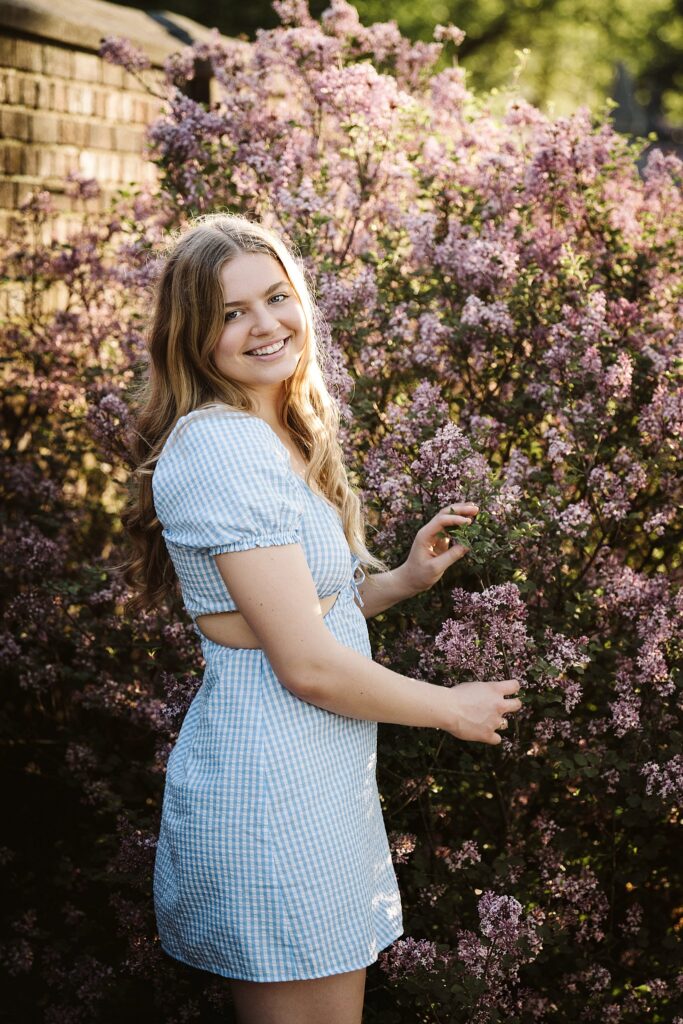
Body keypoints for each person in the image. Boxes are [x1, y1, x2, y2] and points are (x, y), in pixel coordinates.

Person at [122, 213, 522, 1024]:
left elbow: (296, 614)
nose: (265, 325)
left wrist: (401, 581)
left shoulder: (271, 432)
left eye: (276, 298)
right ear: (192, 337)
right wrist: (451, 707)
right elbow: (302, 662)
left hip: (314, 783)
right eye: (232, 313)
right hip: (272, 790)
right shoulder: (222, 446)